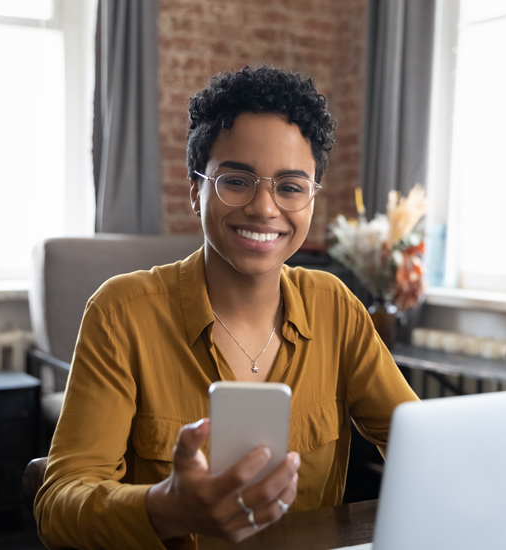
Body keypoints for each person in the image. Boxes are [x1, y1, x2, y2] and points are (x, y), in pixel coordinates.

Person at [34, 66, 419, 550]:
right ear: (195, 190)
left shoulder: (336, 308)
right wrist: (164, 507)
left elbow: (420, 449)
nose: (264, 207)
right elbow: (58, 503)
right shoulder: (120, 314)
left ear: (312, 198)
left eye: (291, 186)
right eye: (236, 181)